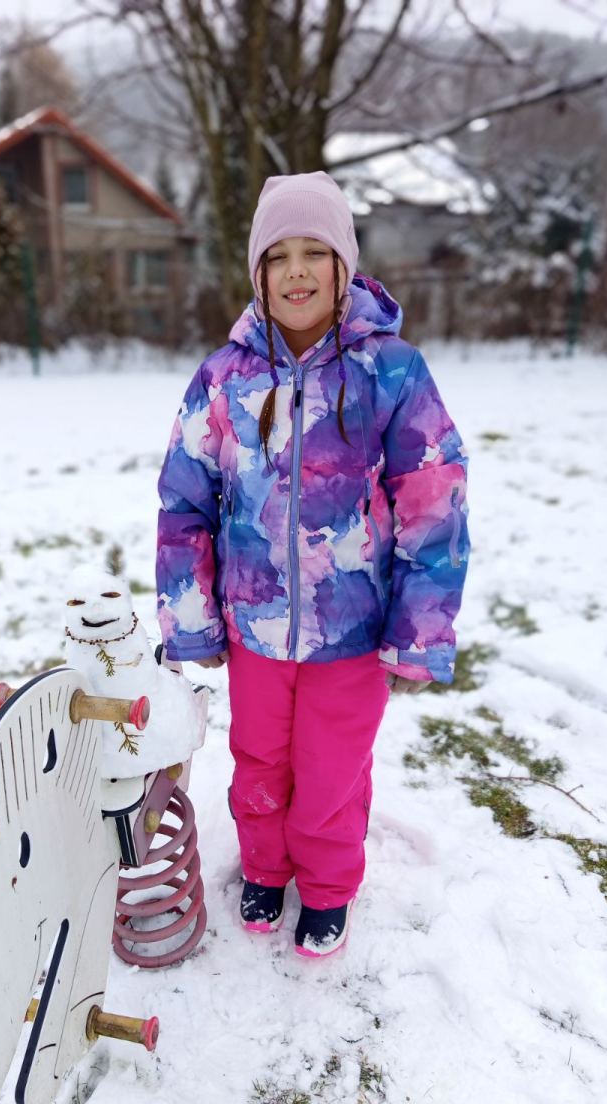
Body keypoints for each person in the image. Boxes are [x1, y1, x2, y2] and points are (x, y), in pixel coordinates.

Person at [155, 171, 469, 958]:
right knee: (259, 758)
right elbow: (184, 502)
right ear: (258, 274)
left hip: (353, 631)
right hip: (255, 627)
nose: (296, 272)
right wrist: (192, 621)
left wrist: (418, 632)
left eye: (314, 253)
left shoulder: (390, 372)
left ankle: (328, 886)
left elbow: (433, 501)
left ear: (343, 268)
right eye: (278, 256)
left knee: (331, 770)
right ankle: (265, 867)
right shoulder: (226, 377)